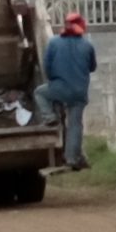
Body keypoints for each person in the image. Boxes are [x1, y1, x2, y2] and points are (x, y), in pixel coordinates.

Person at [34, 13, 97, 170]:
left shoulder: (54, 43)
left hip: (59, 88)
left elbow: (46, 66)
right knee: (75, 124)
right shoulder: (87, 45)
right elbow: (92, 67)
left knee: (39, 93)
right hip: (79, 92)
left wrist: (53, 81)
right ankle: (71, 158)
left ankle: (50, 117)